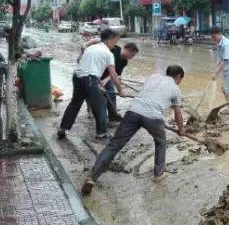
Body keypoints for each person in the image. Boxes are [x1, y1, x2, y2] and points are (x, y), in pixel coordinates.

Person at [80, 65, 186, 195]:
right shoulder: (176, 89)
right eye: (181, 80)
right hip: (153, 117)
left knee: (114, 145)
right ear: (178, 77)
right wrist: (181, 129)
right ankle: (159, 174)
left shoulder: (153, 77)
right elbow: (178, 115)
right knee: (161, 143)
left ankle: (92, 177)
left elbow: (150, 92)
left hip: (133, 111)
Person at [58, 29, 126, 139]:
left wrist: (98, 83)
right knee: (100, 104)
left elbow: (85, 64)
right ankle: (101, 133)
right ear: (109, 40)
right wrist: (121, 90)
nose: (116, 44)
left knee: (75, 103)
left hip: (77, 77)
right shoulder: (108, 54)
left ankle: (63, 128)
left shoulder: (90, 48)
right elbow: (113, 75)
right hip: (89, 79)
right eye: (115, 41)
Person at [81, 40, 139, 122]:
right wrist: (85, 44)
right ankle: (90, 108)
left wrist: (105, 81)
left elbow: (114, 74)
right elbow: (99, 40)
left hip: (106, 77)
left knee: (111, 95)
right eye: (132, 55)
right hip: (94, 73)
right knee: (94, 95)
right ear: (127, 49)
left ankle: (113, 117)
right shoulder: (113, 48)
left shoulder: (124, 61)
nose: (132, 57)